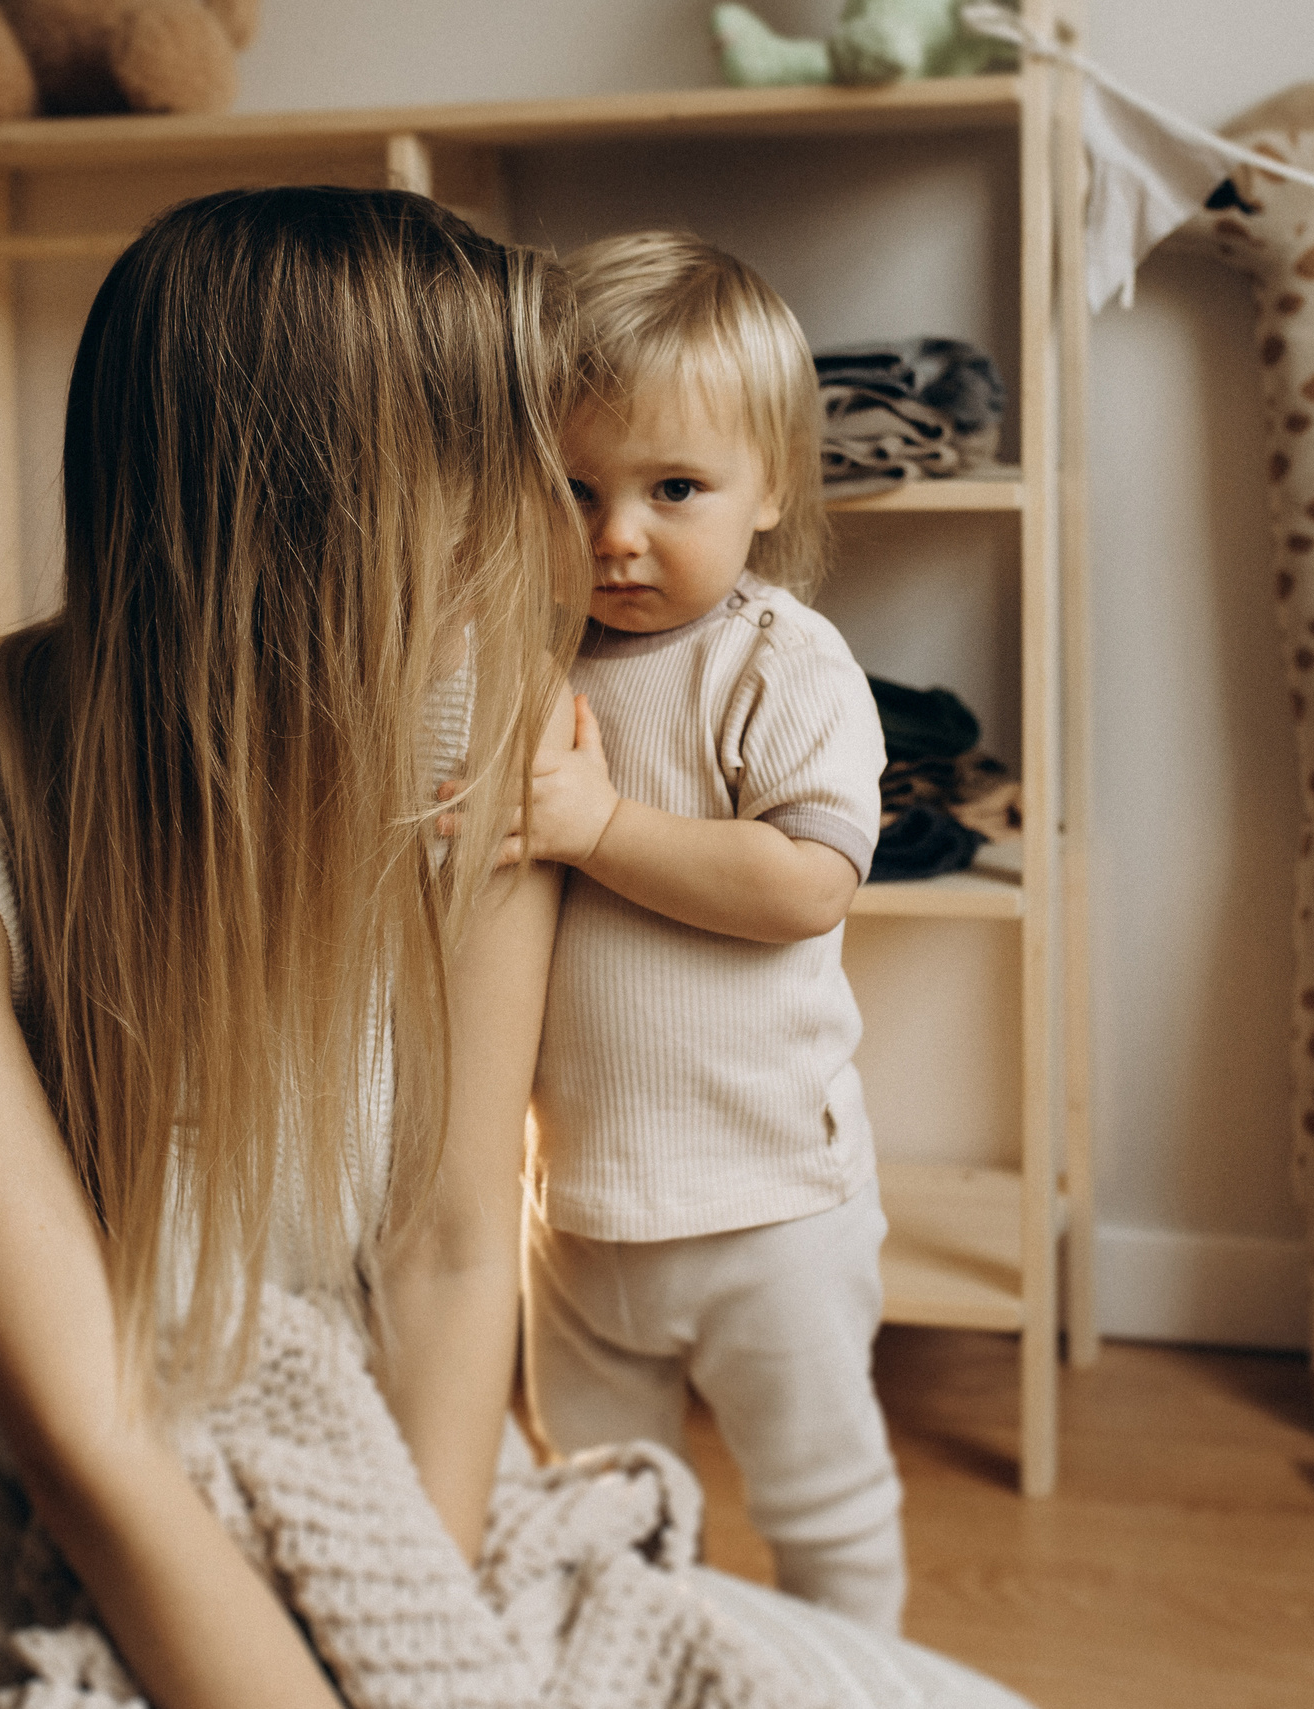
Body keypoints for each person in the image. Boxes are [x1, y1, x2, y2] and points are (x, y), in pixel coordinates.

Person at [0, 186, 1027, 1709]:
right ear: (327, 499)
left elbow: (447, 1257)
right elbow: (84, 1431)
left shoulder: (496, 738)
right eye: (522, 468)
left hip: (382, 1427)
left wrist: (411, 1636)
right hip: (4, 1449)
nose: (567, 531)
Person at [514, 232, 906, 1631]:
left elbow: (807, 879)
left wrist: (602, 830)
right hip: (579, 1207)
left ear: (768, 488)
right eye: (573, 488)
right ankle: (642, 1657)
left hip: (769, 1208)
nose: (616, 532)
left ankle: (859, 1672)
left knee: (822, 1499)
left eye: (673, 488)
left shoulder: (777, 658)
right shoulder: (529, 661)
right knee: (602, 1501)